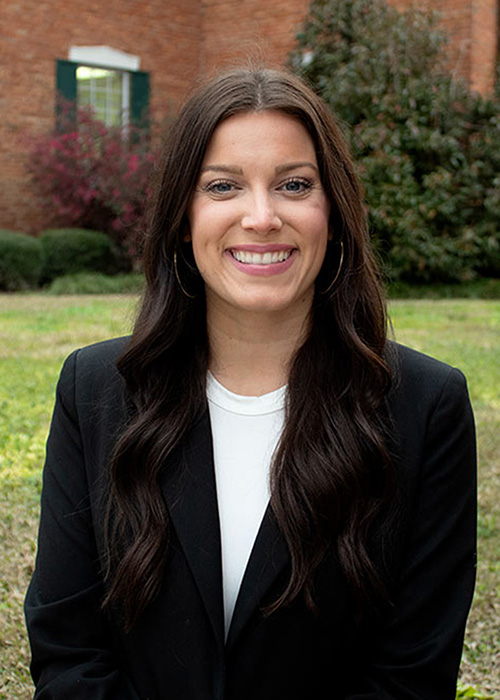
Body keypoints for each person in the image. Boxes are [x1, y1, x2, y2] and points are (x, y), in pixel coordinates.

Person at [25, 67, 476, 700]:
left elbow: (412, 676)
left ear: (333, 213)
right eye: (223, 186)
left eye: (294, 184)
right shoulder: (95, 390)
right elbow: (68, 651)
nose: (261, 217)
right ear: (185, 217)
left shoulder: (426, 407)